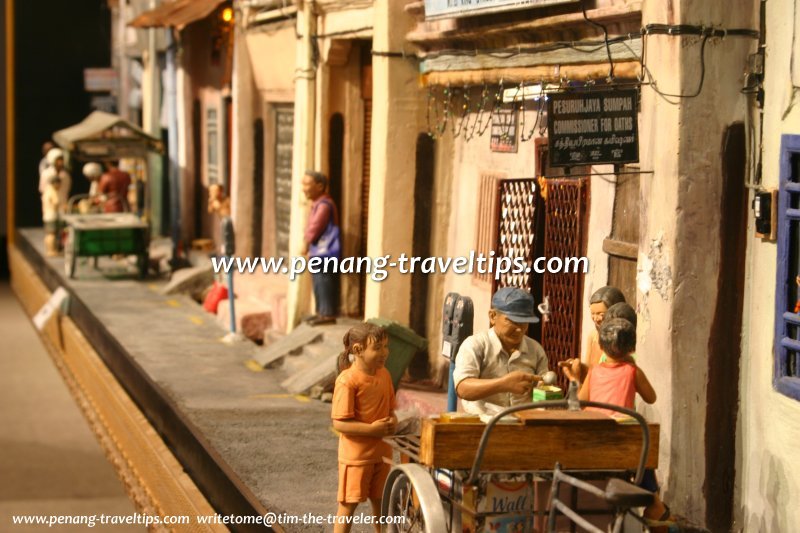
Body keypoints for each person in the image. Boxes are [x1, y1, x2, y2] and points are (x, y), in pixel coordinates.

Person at [577, 318, 671, 529]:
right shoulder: (632, 371)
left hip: (596, 441)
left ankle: (653, 504)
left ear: (601, 346)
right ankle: (654, 502)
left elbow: (582, 402)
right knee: (643, 445)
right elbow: (651, 397)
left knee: (639, 442)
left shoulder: (594, 372)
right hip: (622, 444)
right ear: (633, 347)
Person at [331, 323, 396, 533]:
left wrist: (393, 421)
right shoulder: (347, 381)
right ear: (358, 350)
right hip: (357, 457)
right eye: (377, 348)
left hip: (382, 453)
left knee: (382, 504)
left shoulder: (384, 374)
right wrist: (372, 430)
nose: (384, 353)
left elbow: (390, 409)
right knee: (348, 505)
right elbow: (339, 423)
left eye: (386, 346)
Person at [453, 287, 550, 415]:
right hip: (483, 423)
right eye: (513, 321)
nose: (519, 330)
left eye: (524, 322)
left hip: (522, 424)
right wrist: (503, 384)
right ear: (493, 316)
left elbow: (542, 390)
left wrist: (545, 390)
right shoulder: (475, 345)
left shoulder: (535, 350)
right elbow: (463, 388)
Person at [561, 286, 627, 382]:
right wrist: (577, 368)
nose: (596, 319)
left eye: (601, 314)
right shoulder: (593, 336)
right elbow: (588, 370)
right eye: (593, 314)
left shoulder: (623, 339)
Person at [302, 170, 340, 326]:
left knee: (323, 280)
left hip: (324, 252)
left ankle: (327, 313)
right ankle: (321, 312)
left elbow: (315, 227)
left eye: (306, 184)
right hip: (318, 252)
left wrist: (305, 242)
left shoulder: (324, 205)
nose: (303, 188)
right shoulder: (317, 204)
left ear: (319, 186)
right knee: (318, 282)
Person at [41, 173, 63, 257]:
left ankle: (50, 250)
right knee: (52, 234)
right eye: (59, 183)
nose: (60, 186)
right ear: (55, 183)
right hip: (52, 215)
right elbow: (55, 203)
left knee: (49, 234)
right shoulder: (52, 191)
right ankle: (51, 250)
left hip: (47, 214)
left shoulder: (47, 190)